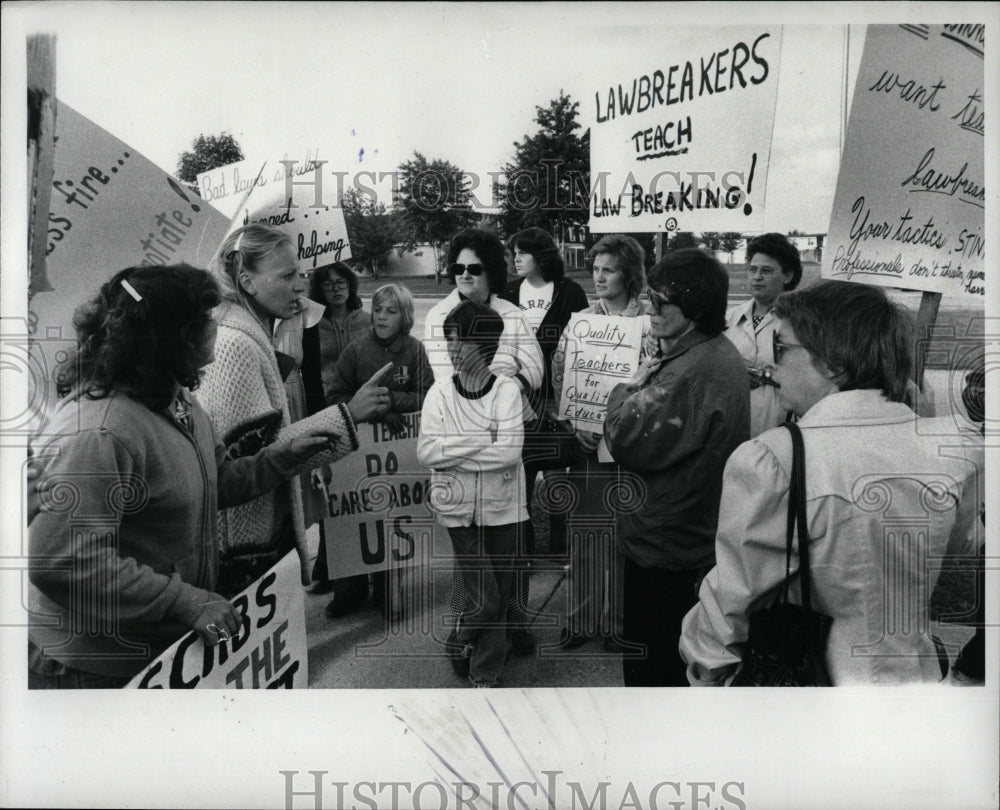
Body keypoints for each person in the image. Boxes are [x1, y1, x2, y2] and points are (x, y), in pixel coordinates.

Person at [26, 265, 366, 688]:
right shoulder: (99, 431)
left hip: (154, 655)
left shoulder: (177, 401)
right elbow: (59, 560)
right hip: (91, 668)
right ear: (170, 337)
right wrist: (182, 600)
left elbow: (216, 481)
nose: (216, 327)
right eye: (205, 319)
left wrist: (279, 458)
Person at [680, 280, 982, 685]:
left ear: (835, 363)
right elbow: (955, 554)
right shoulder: (957, 449)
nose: (770, 363)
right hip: (917, 682)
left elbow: (726, 614)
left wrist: (709, 682)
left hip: (816, 696)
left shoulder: (774, 459)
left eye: (782, 348)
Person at [197, 225, 392, 596]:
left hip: (255, 537)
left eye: (300, 274)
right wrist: (349, 414)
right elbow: (251, 459)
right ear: (248, 282)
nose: (302, 286)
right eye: (288, 276)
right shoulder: (235, 342)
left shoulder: (246, 328)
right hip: (249, 547)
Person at [604, 248, 750, 686]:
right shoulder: (715, 351)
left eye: (661, 302)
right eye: (650, 296)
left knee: (652, 667)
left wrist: (626, 388)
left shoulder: (686, 373)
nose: (650, 307)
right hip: (691, 535)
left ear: (695, 308)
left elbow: (623, 436)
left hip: (665, 545)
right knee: (675, 657)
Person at [424, 228, 544, 655]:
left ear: (492, 271)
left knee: (511, 542)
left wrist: (504, 383)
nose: (465, 276)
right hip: (463, 445)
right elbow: (448, 380)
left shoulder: (512, 315)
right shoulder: (439, 316)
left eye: (474, 269)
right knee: (470, 552)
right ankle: (467, 631)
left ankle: (513, 623)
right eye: (457, 268)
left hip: (505, 439)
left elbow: (535, 370)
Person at [417, 300, 529, 687]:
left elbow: (510, 452)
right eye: (448, 341)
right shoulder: (439, 394)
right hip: (456, 507)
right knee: (488, 598)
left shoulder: (507, 393)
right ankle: (461, 637)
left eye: (460, 341)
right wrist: (484, 438)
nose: (452, 350)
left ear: (483, 344)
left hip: (504, 507)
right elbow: (427, 452)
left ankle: (485, 673)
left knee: (496, 590)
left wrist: (456, 450)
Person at [549, 234, 650, 651]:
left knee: (627, 536)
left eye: (608, 269)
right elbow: (560, 372)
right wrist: (574, 421)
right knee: (586, 533)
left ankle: (621, 622)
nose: (599, 276)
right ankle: (584, 618)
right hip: (591, 445)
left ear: (629, 273)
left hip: (634, 445)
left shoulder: (650, 321)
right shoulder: (582, 320)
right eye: (595, 269)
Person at [323, 283, 434, 619]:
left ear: (406, 317)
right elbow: (335, 397)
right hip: (356, 455)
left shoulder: (414, 350)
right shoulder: (356, 351)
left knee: (391, 518)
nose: (383, 317)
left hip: (397, 457)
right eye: (379, 310)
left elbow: (428, 395)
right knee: (355, 518)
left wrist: (394, 401)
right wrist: (376, 407)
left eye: (392, 311)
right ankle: (350, 590)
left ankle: (388, 590)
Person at [498, 228, 589, 565]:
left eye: (523, 252)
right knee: (519, 474)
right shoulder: (507, 292)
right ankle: (523, 551)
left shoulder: (570, 292)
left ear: (543, 255)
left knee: (555, 476)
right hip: (517, 398)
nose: (516, 258)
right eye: (514, 252)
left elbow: (581, 347)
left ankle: (560, 546)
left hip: (555, 398)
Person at [724, 232, 802, 437]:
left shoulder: (800, 322)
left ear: (788, 275)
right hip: (730, 423)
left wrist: (764, 375)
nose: (757, 277)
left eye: (766, 271)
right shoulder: (729, 318)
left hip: (777, 427)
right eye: (753, 270)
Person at [311, 262, 370, 400]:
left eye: (340, 282)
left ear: (350, 284)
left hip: (362, 397)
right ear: (320, 289)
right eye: (328, 284)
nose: (336, 288)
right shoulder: (312, 324)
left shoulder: (368, 321)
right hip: (326, 398)